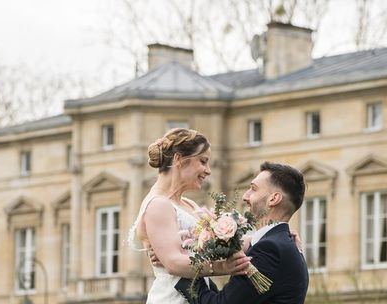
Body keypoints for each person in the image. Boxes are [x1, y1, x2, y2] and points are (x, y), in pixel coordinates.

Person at [127, 128, 249, 304]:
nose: (208, 171)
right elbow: (173, 263)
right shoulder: (158, 205)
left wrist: (276, 236)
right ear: (179, 159)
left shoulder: (188, 204)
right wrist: (223, 267)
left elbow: (222, 243)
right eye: (203, 161)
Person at [174, 161, 309, 304]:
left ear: (273, 199)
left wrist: (179, 271)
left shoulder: (270, 249)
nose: (245, 196)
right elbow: (233, 298)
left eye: (253, 189)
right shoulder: (282, 244)